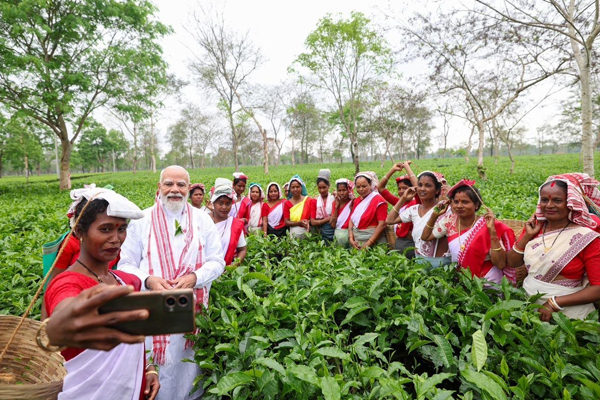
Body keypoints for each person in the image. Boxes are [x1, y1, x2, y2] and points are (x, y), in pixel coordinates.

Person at [118, 165, 225, 400]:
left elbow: (218, 262)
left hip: (192, 310)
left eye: (181, 184)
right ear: (159, 187)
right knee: (157, 369)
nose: (174, 189)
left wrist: (194, 278)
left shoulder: (202, 220)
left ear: (188, 188)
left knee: (189, 366)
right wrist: (149, 280)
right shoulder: (142, 220)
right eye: (169, 184)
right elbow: (124, 264)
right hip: (153, 310)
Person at [44, 186, 160, 400]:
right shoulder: (67, 283)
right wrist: (64, 321)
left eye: (121, 229)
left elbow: (137, 337)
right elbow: (63, 311)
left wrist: (149, 367)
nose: (116, 238)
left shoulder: (128, 281)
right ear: (79, 231)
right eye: (105, 229)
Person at [508, 175, 600, 320]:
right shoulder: (535, 228)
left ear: (570, 203)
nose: (549, 205)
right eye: (544, 200)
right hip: (528, 305)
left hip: (568, 314)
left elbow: (597, 289)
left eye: (557, 200)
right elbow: (512, 262)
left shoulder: (586, 237)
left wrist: (554, 303)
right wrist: (526, 236)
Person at [421, 179, 516, 285]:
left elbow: (501, 264)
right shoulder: (449, 221)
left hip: (488, 281)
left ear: (476, 205)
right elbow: (425, 237)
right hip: (462, 280)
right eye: (456, 202)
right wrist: (435, 215)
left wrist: (492, 232)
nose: (459, 206)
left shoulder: (486, 225)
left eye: (465, 202)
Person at [387, 165, 450, 267]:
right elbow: (390, 220)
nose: (422, 189)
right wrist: (403, 198)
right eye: (420, 185)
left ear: (437, 190)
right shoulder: (414, 209)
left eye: (428, 186)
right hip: (419, 261)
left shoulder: (443, 209)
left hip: (440, 263)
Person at [378, 162, 419, 256]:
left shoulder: (417, 203)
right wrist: (393, 170)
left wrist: (407, 168)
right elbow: (380, 188)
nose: (401, 191)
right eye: (399, 188)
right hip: (400, 242)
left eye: (405, 188)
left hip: (411, 243)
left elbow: (418, 187)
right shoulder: (399, 203)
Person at [210, 178, 248, 266]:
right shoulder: (203, 220)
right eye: (220, 203)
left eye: (228, 204)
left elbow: (242, 249)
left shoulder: (235, 224)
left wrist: (233, 266)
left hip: (226, 271)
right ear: (213, 203)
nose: (224, 207)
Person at [348, 172, 388, 250]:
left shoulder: (379, 200)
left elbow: (382, 224)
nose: (361, 189)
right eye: (358, 187)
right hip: (357, 239)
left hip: (373, 238)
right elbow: (351, 219)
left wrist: (368, 243)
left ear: (370, 185)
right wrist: (351, 238)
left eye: (364, 186)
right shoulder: (356, 201)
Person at [284, 175, 313, 239]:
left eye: (297, 187)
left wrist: (307, 222)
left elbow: (313, 218)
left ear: (301, 188)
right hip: (294, 236)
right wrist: (298, 223)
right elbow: (287, 222)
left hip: (308, 233)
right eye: (293, 187)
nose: (295, 189)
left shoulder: (308, 200)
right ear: (290, 189)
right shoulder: (287, 203)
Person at [310, 169, 335, 241]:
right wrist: (327, 219)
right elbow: (313, 222)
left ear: (329, 186)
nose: (322, 190)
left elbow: (334, 218)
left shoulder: (333, 199)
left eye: (324, 187)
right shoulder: (315, 201)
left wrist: (321, 221)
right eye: (319, 188)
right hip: (319, 230)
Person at [329, 179, 354, 247]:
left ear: (348, 191)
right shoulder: (335, 203)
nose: (342, 193)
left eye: (344, 190)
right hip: (337, 236)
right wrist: (336, 207)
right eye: (339, 190)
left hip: (350, 235)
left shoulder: (353, 203)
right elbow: (333, 225)